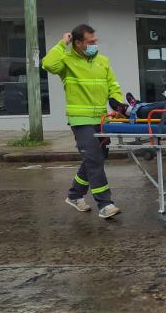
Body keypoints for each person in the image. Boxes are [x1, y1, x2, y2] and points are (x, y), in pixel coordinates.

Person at [41, 24, 123, 219]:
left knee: (97, 157)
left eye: (95, 41)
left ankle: (75, 195)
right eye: (90, 42)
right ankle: (105, 204)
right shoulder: (66, 61)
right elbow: (48, 64)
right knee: (94, 158)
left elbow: (113, 85)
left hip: (101, 119)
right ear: (77, 43)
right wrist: (62, 43)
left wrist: (117, 103)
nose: (95, 44)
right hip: (80, 119)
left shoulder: (102, 61)